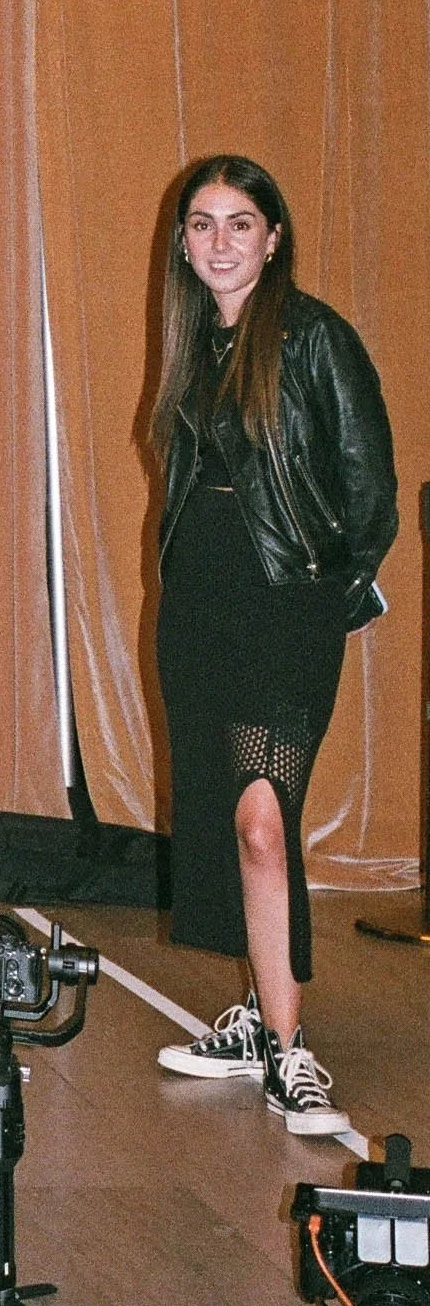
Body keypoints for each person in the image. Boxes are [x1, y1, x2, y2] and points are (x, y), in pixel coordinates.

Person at [148, 155, 397, 1137]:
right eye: (202, 223)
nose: (219, 241)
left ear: (273, 235)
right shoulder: (193, 340)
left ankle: (293, 1054)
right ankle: (255, 1020)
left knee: (263, 818)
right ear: (184, 242)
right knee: (222, 815)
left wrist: (324, 601)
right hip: (199, 604)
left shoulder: (314, 335)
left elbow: (369, 488)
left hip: (283, 607)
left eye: (239, 223)